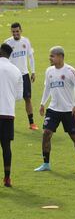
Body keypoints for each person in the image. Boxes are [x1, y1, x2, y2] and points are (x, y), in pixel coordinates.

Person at [34, 46, 75, 172]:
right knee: (46, 134)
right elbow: (47, 88)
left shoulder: (70, 71)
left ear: (60, 57)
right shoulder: (49, 71)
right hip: (53, 109)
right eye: (50, 55)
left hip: (68, 111)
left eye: (52, 56)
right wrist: (42, 103)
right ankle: (46, 164)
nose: (49, 58)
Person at [4, 22, 38, 130]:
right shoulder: (7, 43)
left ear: (21, 31)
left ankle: (31, 123)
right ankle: (10, 123)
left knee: (27, 98)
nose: (15, 33)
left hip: (24, 74)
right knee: (11, 99)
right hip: (12, 75)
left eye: (17, 31)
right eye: (13, 32)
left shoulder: (26, 41)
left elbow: (31, 57)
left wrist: (33, 71)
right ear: (11, 32)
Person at [0, 44, 23, 187]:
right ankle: (7, 178)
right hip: (8, 113)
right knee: (6, 146)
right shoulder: (16, 70)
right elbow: (19, 96)